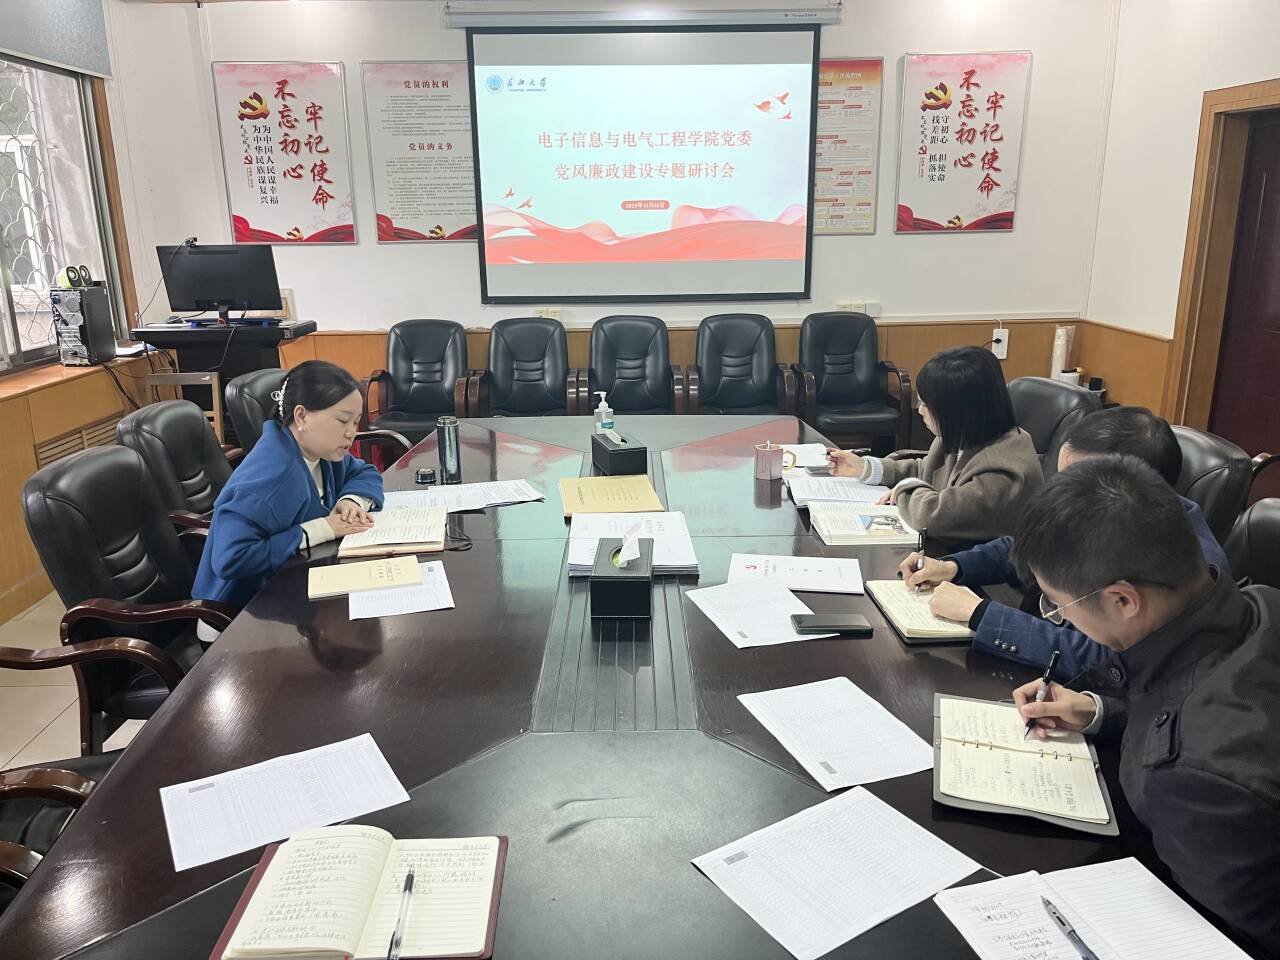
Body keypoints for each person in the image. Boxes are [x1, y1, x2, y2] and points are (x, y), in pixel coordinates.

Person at [1009, 456, 1280, 957]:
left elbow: (1230, 941)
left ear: (1122, 600)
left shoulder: (1196, 778)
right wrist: (1099, 712)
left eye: (1058, 606)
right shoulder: (1260, 603)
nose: (1059, 618)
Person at [900, 406, 1230, 678]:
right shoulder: (1106, 512)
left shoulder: (1186, 571)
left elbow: (1112, 663)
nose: (1062, 491)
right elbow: (1030, 549)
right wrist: (952, 566)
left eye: (1075, 481)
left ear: (1128, 484)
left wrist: (982, 614)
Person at [194, 360, 384, 612]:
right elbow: (230, 558)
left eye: (356, 422)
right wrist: (322, 528)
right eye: (342, 421)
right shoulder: (271, 476)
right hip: (237, 611)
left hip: (293, 581)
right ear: (301, 416)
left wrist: (350, 500)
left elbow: (365, 473)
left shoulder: (321, 451)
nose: (352, 433)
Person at [826, 346, 1041, 545]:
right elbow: (927, 470)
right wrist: (866, 468)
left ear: (958, 412)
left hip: (986, 569)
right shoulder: (969, 433)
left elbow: (932, 516)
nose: (920, 410)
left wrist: (904, 489)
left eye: (927, 404)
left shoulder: (1000, 471)